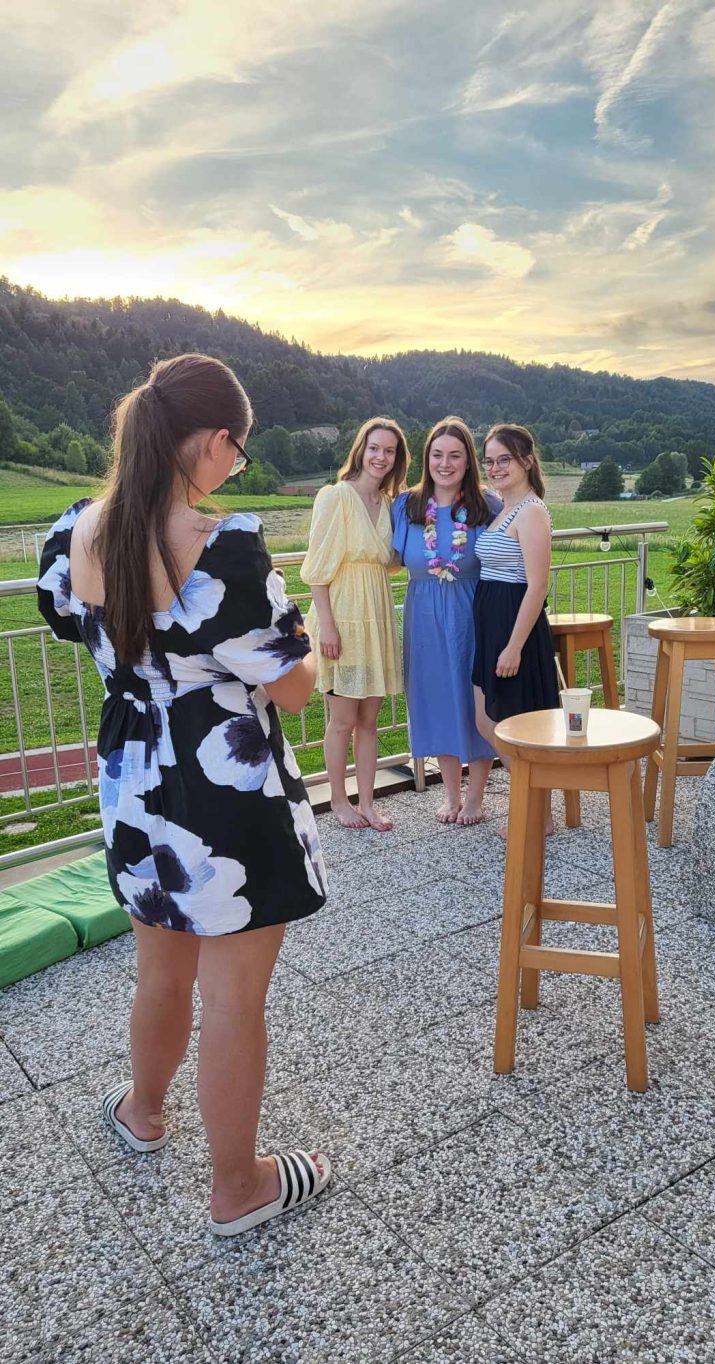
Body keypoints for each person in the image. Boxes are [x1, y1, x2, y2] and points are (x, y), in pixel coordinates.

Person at [37, 353, 331, 1238]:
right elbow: (295, 687)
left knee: (160, 969)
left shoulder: (75, 531)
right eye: (237, 452)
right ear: (213, 440)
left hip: (134, 785)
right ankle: (238, 1186)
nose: (234, 468)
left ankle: (143, 1111)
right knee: (234, 1000)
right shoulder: (224, 549)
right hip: (224, 793)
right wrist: (299, 631)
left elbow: (74, 620)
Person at [301, 417, 409, 831]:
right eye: (374, 448)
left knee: (369, 721)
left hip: (375, 617)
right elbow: (316, 569)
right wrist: (327, 626)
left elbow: (392, 562)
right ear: (361, 449)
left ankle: (367, 802)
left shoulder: (389, 504)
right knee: (342, 719)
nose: (381, 457)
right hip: (343, 616)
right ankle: (338, 800)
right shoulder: (336, 497)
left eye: (389, 451)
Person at [392, 416, 500, 824]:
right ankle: (451, 794)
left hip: (473, 613)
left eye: (455, 455)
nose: (445, 463)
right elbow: (389, 557)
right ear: (427, 459)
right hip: (422, 615)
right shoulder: (407, 505)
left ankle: (475, 797)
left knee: (474, 701)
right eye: (437, 454)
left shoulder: (486, 505)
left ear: (468, 461)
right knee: (436, 698)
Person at [472, 423, 559, 834]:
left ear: (526, 461)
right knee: (487, 721)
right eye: (489, 461)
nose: (495, 468)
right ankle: (536, 808)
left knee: (516, 725)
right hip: (492, 625)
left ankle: (538, 814)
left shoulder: (532, 511)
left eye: (504, 459)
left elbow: (537, 585)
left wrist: (514, 646)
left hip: (514, 628)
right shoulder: (504, 509)